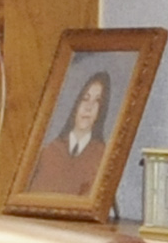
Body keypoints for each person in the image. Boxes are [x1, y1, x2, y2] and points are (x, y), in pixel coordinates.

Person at [24, 69, 111, 198]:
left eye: (97, 101)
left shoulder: (102, 157)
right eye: (85, 99)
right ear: (76, 103)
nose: (89, 107)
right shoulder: (49, 152)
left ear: (101, 110)